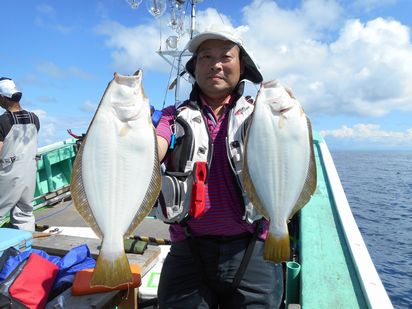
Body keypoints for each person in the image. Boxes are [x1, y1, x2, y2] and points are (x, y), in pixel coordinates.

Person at [155, 25, 284, 308]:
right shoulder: (169, 117)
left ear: (243, 66)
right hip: (188, 247)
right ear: (194, 67)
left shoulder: (263, 113)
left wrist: (288, 118)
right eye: (205, 57)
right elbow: (154, 147)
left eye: (226, 56)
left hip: (254, 247)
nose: (215, 65)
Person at [0, 77, 40, 231]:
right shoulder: (34, 118)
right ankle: (25, 249)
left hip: (9, 175)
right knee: (25, 213)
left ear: (3, 97)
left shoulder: (2, 121)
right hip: (29, 173)